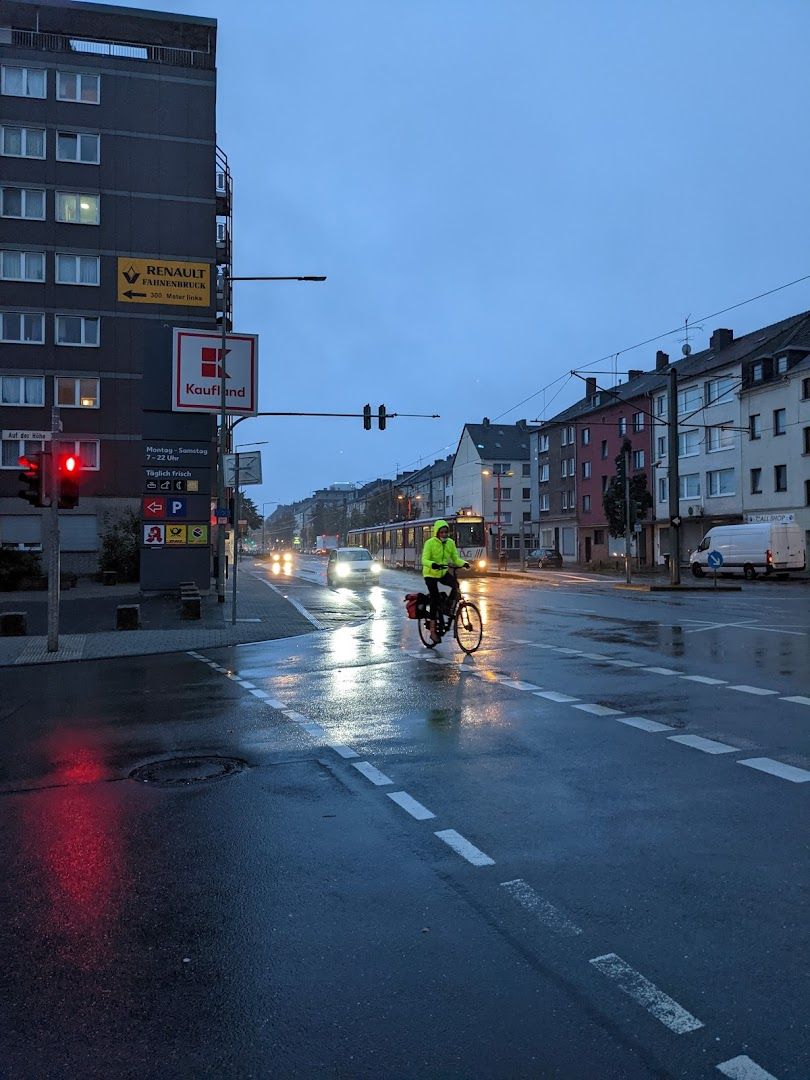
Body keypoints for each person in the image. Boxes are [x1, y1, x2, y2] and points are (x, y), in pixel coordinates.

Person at [421, 520, 469, 642]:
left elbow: (455, 558)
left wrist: (464, 563)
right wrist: (433, 564)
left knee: (456, 584)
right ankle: (432, 631)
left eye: (445, 532)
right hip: (430, 574)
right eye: (441, 532)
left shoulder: (450, 543)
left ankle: (447, 605)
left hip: (442, 572)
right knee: (434, 599)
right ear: (436, 533)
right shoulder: (429, 543)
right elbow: (424, 560)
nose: (444, 534)